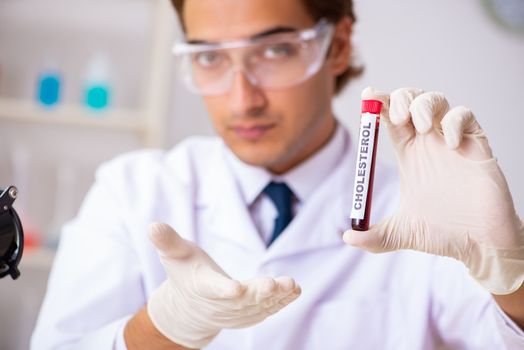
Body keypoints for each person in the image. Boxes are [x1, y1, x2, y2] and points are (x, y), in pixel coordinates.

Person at [31, 0, 524, 349]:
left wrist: (513, 277)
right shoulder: (132, 191)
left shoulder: (426, 218)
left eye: (274, 50)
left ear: (337, 45)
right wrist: (165, 329)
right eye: (209, 57)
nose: (242, 98)